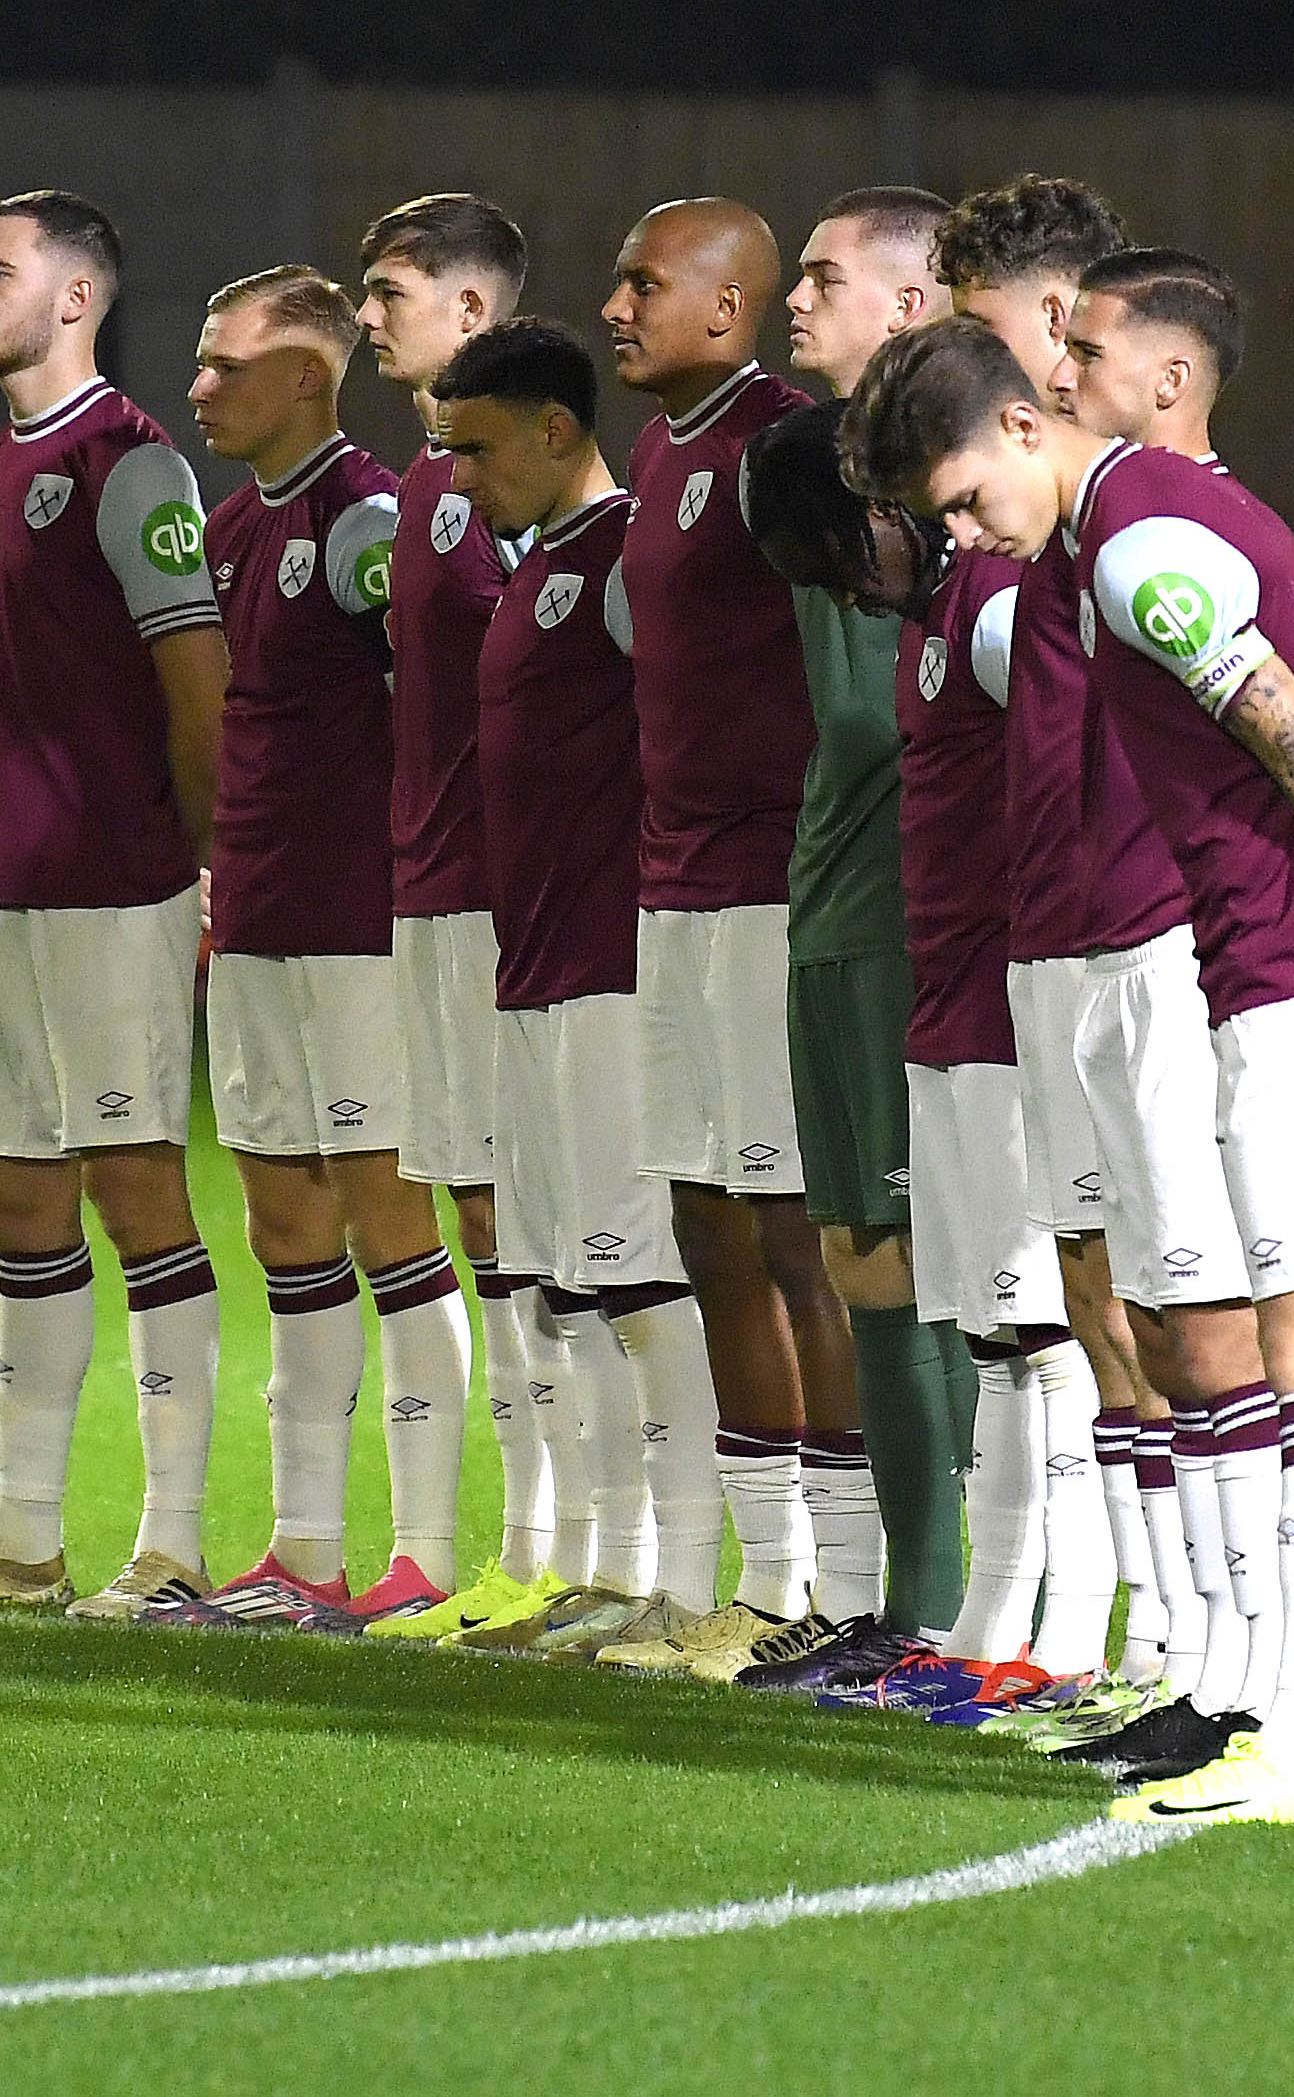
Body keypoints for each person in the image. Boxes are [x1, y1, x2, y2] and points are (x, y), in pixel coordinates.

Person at [846, 307, 1294, 1827]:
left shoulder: (1140, 553)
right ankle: (1292, 1726)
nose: (966, 532)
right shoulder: (1113, 533)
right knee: (1287, 1347)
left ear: (1024, 425)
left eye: (964, 496)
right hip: (1274, 966)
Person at [0, 191, 230, 1622]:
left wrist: (205, 865)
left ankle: (176, 1542)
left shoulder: (132, 468)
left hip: (112, 884)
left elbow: (198, 688)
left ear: (73, 297)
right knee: (16, 1198)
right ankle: (20, 1542)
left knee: (139, 1190)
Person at [740, 398, 1119, 1733]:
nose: (850, 590)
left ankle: (1087, 1639)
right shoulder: (934, 621)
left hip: (1010, 998)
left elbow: (1100, 776)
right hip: (949, 1002)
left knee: (1061, 1322)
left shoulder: (1003, 610)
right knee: (1001, 1325)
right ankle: (987, 1634)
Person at [930, 178, 1216, 1716]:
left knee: (1186, 1311)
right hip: (1048, 943)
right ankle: (1145, 1643)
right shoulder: (1030, 534)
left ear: (1056, 330)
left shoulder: (1163, 525)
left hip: (1150, 945)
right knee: (1103, 1310)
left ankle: (1209, 1651)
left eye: (976, 324)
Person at [156, 265, 469, 1632]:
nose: (199, 387)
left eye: (225, 365)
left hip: (356, 924)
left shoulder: (363, 524)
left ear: (303, 377)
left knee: (390, 1215)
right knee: (283, 1218)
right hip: (261, 916)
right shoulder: (231, 528)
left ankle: (427, 1548)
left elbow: (437, 707)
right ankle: (300, 1547)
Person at [689, 185, 970, 1692]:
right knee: (865, 1250)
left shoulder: (933, 498)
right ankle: (908, 1603)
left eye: (821, 277)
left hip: (915, 919)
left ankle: (969, 1611)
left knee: (942, 1260)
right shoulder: (823, 473)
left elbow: (878, 716)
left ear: (912, 305)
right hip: (835, 905)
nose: (795, 302)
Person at [427, 321, 716, 1662]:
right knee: (561, 1283)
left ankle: (688, 1574)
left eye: (476, 448)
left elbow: (690, 739)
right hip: (530, 971)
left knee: (642, 1278)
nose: (459, 475)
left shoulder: (616, 559)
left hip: (610, 971)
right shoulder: (529, 563)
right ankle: (608, 1567)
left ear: (555, 429)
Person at [344, 195, 597, 1649]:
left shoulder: (506, 496)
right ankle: (526, 1545)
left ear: (472, 310)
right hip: (435, 898)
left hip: (512, 904)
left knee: (552, 1216)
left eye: (389, 291)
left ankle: (582, 1543)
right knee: (490, 1217)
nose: (368, 314)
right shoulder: (429, 482)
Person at [594, 198, 837, 1665]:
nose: (613, 304)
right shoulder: (660, 448)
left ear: (727, 308)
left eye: (641, 282)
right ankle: (754, 1583)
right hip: (672, 891)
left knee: (791, 1235)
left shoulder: (779, 451)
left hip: (767, 893)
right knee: (704, 1229)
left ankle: (834, 1589)